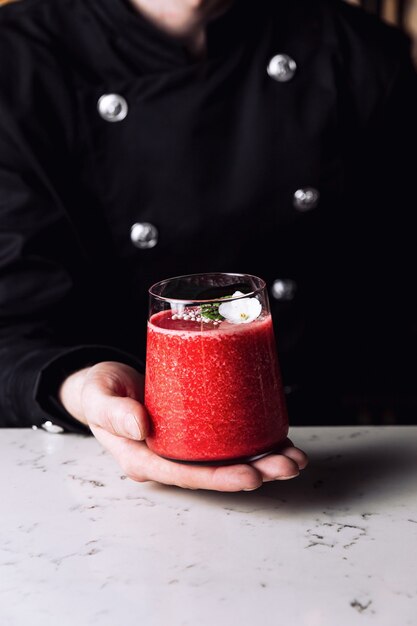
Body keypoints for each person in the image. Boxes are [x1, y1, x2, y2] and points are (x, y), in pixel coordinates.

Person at [0, 0, 416, 490]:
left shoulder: (358, 51)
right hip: (87, 471)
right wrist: (77, 386)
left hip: (341, 459)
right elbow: (10, 320)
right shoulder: (14, 62)